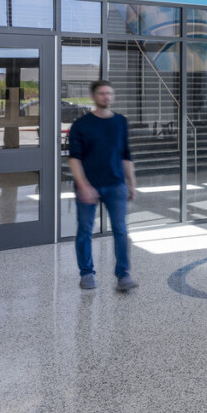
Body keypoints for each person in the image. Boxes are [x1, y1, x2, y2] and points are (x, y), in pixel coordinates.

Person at [68, 79, 138, 293]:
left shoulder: (120, 122)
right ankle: (87, 273)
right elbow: (74, 159)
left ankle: (123, 275)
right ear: (93, 96)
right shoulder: (80, 125)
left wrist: (131, 183)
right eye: (101, 93)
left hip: (116, 185)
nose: (106, 97)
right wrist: (83, 185)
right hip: (88, 186)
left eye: (109, 93)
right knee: (85, 231)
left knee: (121, 231)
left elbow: (126, 155)